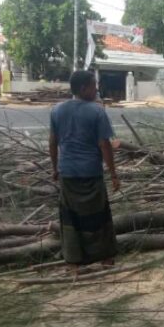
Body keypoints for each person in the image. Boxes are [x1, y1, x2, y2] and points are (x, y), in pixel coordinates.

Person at [49, 70, 121, 273]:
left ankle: (73, 261)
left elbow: (53, 143)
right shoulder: (97, 112)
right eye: (93, 85)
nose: (96, 88)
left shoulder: (57, 111)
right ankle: (105, 258)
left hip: (68, 172)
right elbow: (104, 145)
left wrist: (55, 169)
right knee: (99, 217)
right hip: (91, 173)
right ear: (83, 88)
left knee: (71, 219)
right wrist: (113, 174)